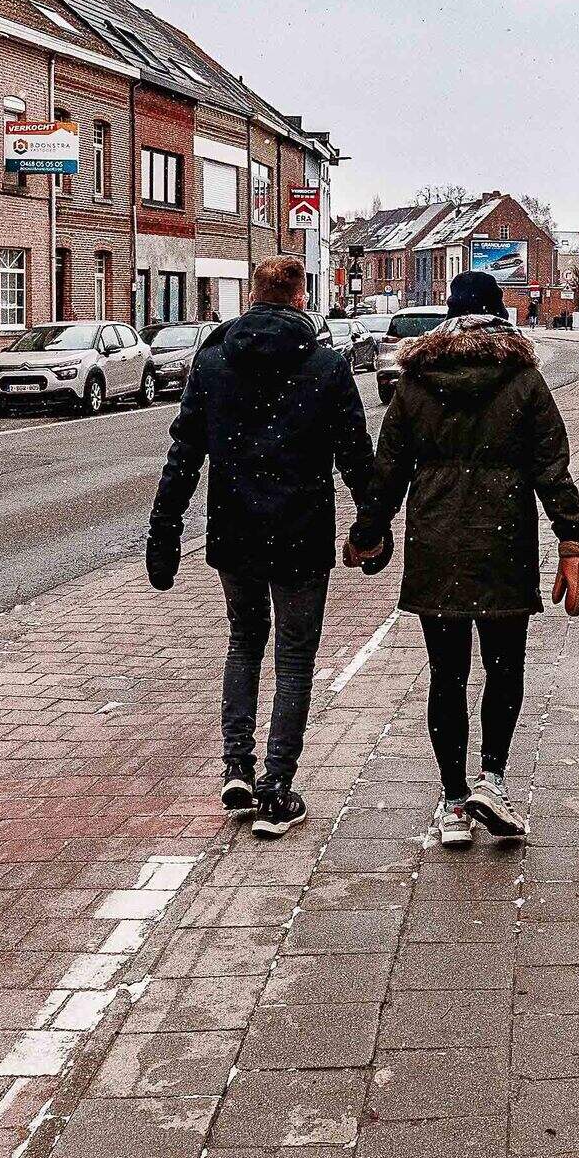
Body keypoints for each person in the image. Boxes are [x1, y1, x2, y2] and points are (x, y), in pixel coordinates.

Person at [350, 270, 579, 850]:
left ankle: (454, 802)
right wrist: (573, 539)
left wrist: (370, 528)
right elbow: (551, 468)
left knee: (447, 674)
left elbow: (388, 470)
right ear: (498, 312)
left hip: (436, 544)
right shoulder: (524, 379)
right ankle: (492, 779)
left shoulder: (413, 382)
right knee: (505, 668)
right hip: (503, 539)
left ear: (448, 315)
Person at [147, 255, 374, 837]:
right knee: (295, 656)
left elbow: (184, 453)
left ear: (253, 294)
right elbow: (354, 453)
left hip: (235, 528)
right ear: (301, 298)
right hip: (301, 530)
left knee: (245, 640)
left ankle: (237, 766)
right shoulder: (325, 366)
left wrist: (165, 529)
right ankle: (277, 788)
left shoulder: (215, 361)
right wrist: (372, 524)